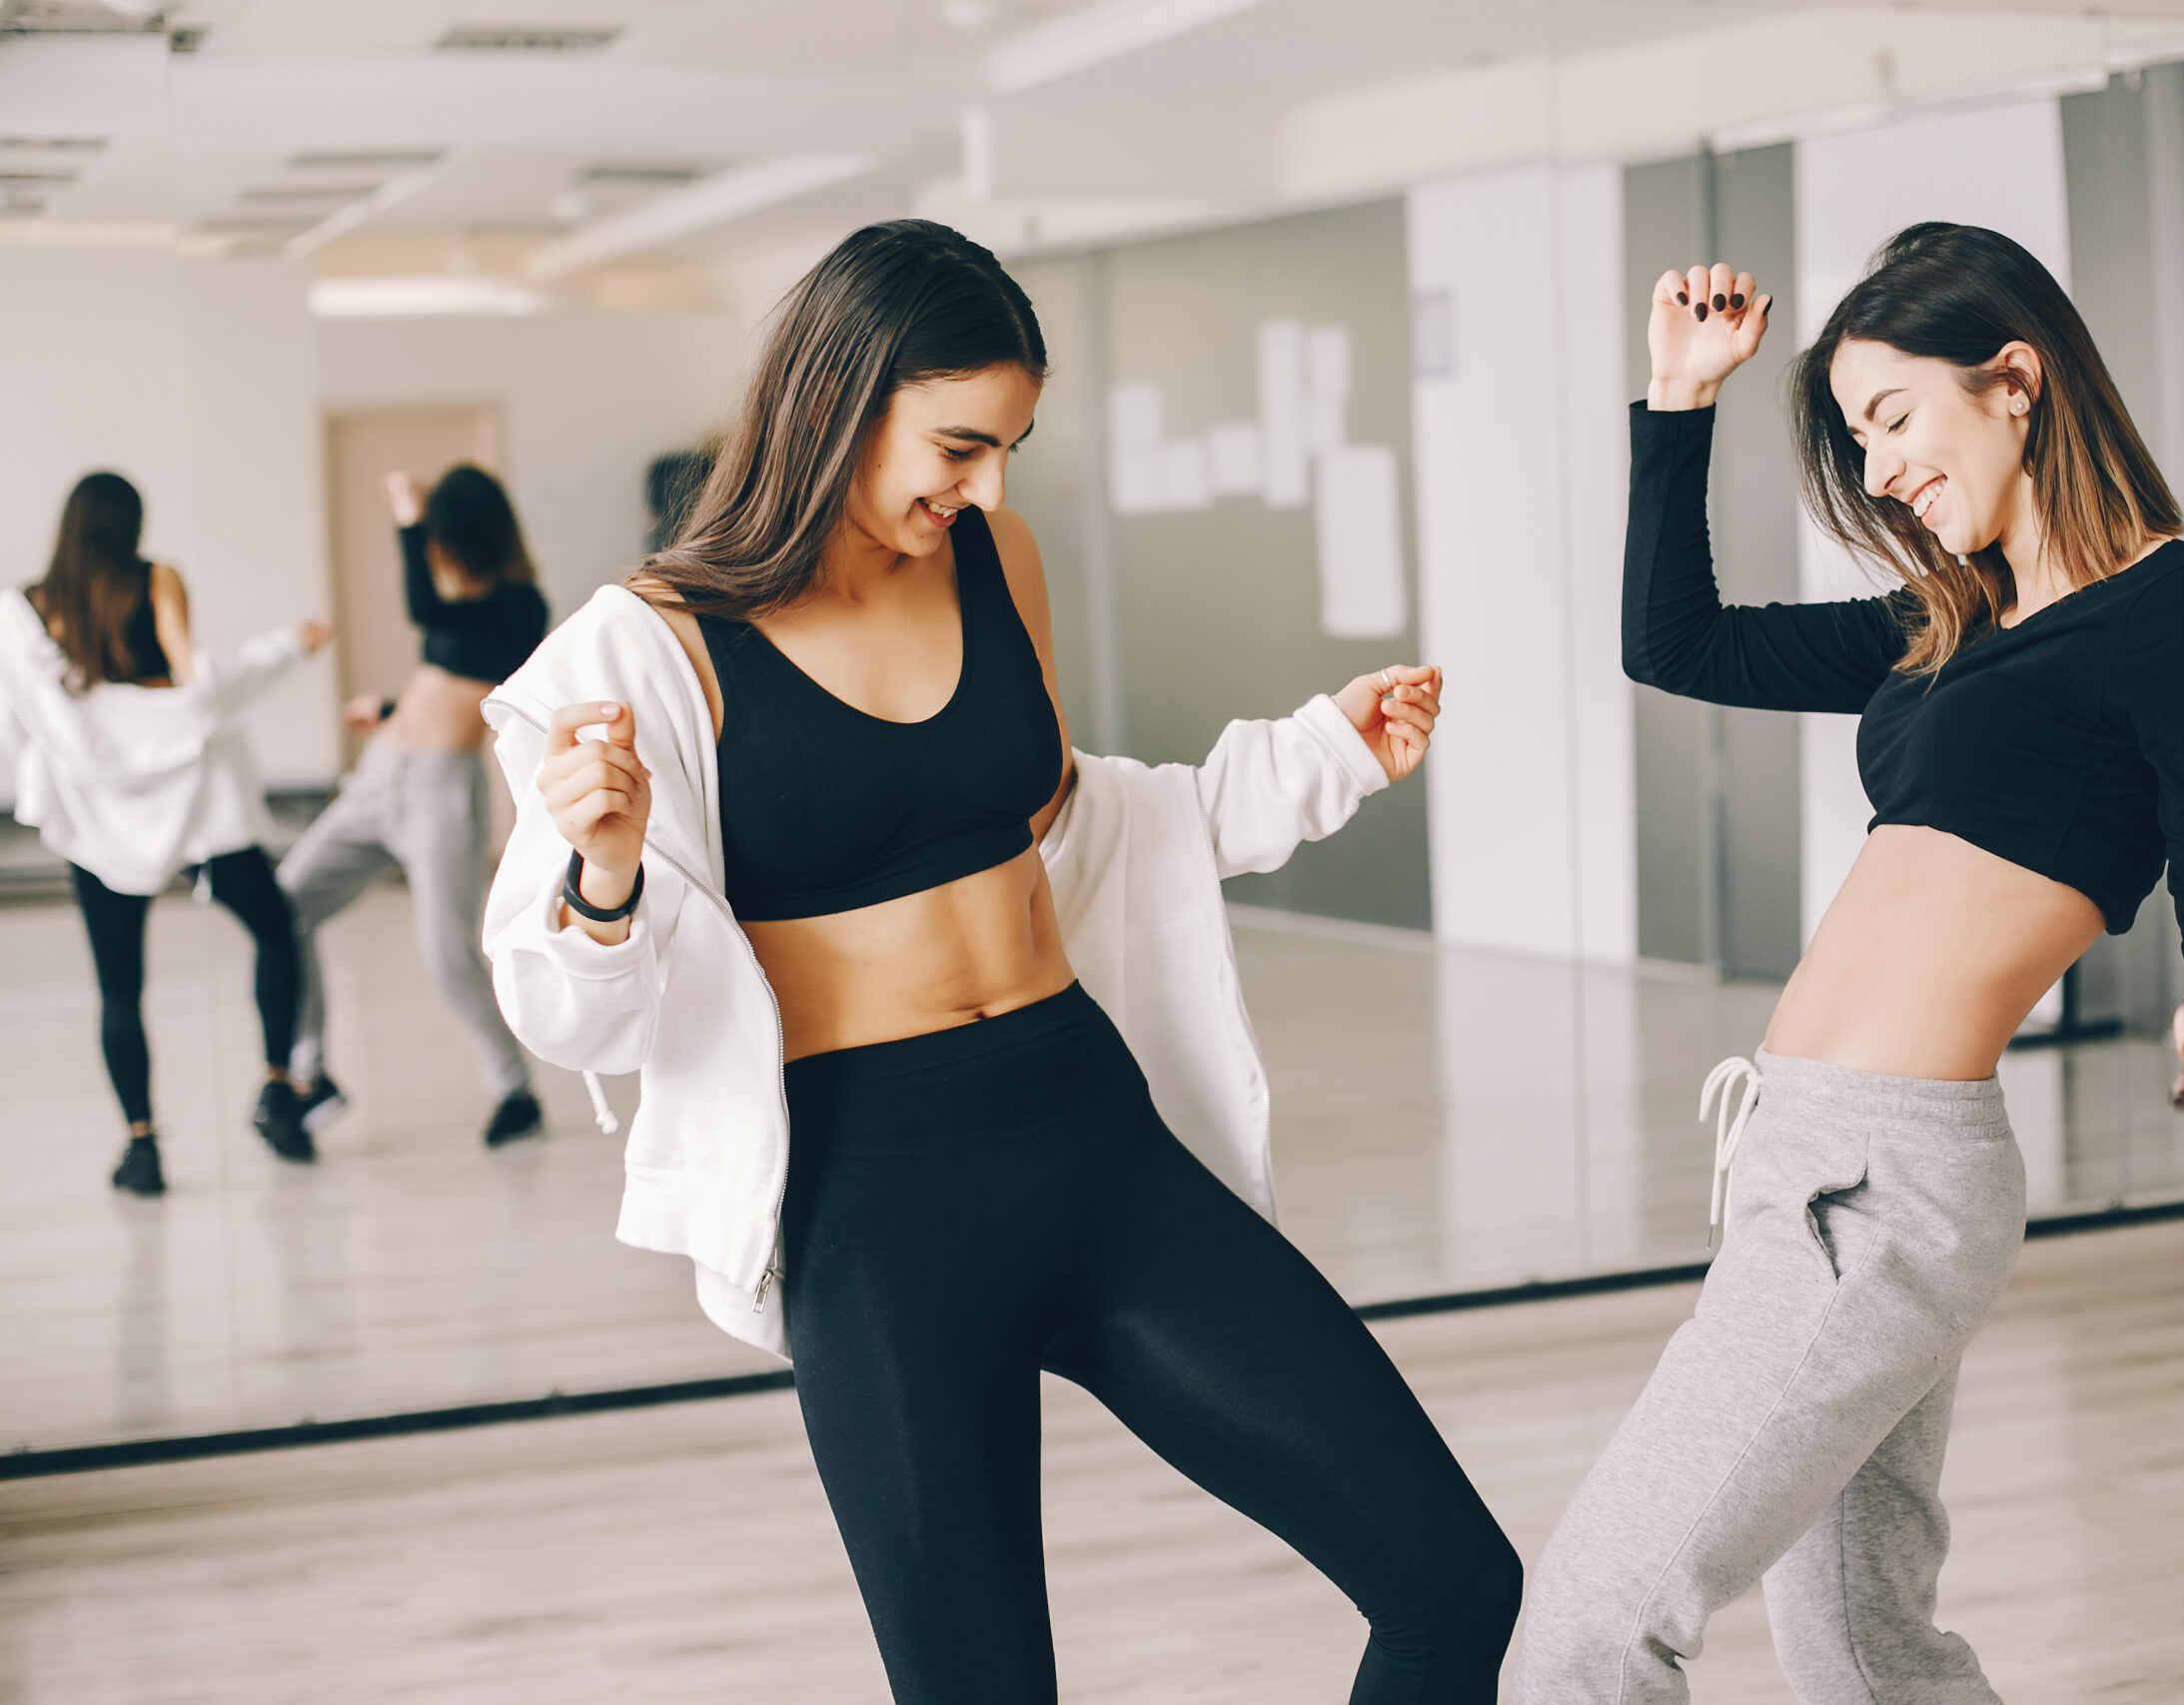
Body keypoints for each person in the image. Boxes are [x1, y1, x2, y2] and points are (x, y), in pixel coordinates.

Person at [476, 219, 1520, 1703]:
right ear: (839, 395)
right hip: (877, 1204)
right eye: (961, 445)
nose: (987, 488)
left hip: (1092, 1140)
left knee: (1455, 1581)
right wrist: (605, 867)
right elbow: (571, 1009)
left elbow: (1079, 828)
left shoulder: (990, 557)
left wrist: (1320, 754)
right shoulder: (647, 646)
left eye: (1011, 447)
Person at [1513, 224, 2184, 1702]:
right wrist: (1681, 401)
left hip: (1876, 1185)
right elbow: (1674, 643)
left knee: (1590, 1619)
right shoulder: (1947, 616)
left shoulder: (2177, 611)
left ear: (2016, 379)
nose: (1876, 475)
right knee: (1870, 1648)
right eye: (1857, 438)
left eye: (1891, 421)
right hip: (1795, 1154)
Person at [0, 470, 332, 1194]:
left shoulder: (26, 608)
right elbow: (194, 687)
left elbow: (32, 721)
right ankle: (279, 1091)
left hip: (95, 817)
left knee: (120, 989)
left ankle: (141, 1146)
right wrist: (287, 645)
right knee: (275, 929)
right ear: (133, 525)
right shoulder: (156, 580)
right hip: (196, 804)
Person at [278, 464, 548, 1147]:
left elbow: (433, 621)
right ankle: (308, 1072)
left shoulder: (522, 605)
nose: (436, 556)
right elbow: (450, 676)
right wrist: (392, 708)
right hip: (379, 778)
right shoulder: (479, 605)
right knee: (286, 907)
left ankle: (514, 1088)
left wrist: (406, 515)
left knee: (446, 952)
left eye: (440, 542)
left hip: (439, 793)